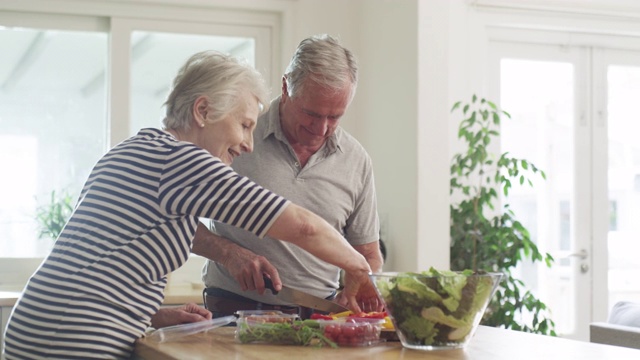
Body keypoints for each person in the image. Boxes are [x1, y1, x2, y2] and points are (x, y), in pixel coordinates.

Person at [2, 51, 373, 360]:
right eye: (243, 125)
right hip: (70, 340)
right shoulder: (183, 161)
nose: (248, 143)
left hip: (41, 328)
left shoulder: (135, 149)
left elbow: (101, 266)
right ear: (202, 111)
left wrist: (155, 314)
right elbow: (302, 226)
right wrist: (358, 268)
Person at [194, 34, 383, 319]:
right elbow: (175, 220)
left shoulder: (356, 160)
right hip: (233, 311)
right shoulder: (238, 136)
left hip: (320, 317)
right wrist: (227, 253)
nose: (321, 129)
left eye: (335, 117)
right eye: (311, 113)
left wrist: (359, 286)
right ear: (285, 87)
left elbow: (368, 255)